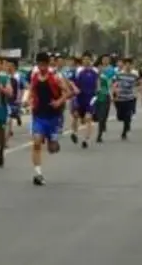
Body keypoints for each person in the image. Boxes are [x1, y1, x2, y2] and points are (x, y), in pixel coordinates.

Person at [28, 52, 67, 186]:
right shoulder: (34, 77)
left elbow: (67, 92)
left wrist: (59, 102)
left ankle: (53, 141)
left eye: (44, 64)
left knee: (52, 149)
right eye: (40, 64)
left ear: (48, 64)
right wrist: (29, 101)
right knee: (37, 142)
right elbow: (31, 91)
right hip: (39, 115)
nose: (42, 67)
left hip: (54, 116)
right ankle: (38, 173)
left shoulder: (55, 77)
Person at [70, 54, 98, 148]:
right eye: (84, 59)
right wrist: (75, 88)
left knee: (88, 118)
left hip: (91, 98)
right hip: (79, 97)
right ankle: (74, 133)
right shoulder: (78, 71)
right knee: (75, 115)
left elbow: (98, 83)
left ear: (91, 61)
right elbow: (71, 81)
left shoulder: (95, 71)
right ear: (82, 61)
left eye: (88, 59)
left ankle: (86, 140)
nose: (86, 61)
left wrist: (97, 92)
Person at [112, 57, 140, 140]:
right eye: (126, 64)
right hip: (120, 98)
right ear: (123, 65)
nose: (128, 66)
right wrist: (115, 92)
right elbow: (114, 84)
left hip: (130, 97)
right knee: (120, 116)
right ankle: (126, 122)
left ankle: (124, 131)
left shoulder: (134, 75)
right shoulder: (118, 74)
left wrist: (137, 91)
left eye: (129, 65)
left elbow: (139, 83)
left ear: (132, 65)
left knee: (128, 114)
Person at [92, 55, 113, 144]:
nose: (105, 61)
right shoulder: (96, 70)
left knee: (103, 115)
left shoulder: (111, 70)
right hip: (97, 95)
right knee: (98, 115)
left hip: (106, 94)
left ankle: (100, 131)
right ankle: (100, 130)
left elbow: (110, 81)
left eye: (107, 60)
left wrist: (101, 73)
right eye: (104, 59)